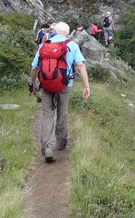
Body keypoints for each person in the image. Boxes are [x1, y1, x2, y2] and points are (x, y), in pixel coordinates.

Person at [30, 22, 90, 162]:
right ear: (68, 33)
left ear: (55, 31)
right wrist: (86, 86)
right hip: (65, 85)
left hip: (46, 85)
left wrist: (34, 84)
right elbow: (80, 65)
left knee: (47, 115)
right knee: (62, 112)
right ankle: (61, 142)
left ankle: (48, 147)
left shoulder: (44, 45)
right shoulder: (72, 45)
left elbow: (34, 68)